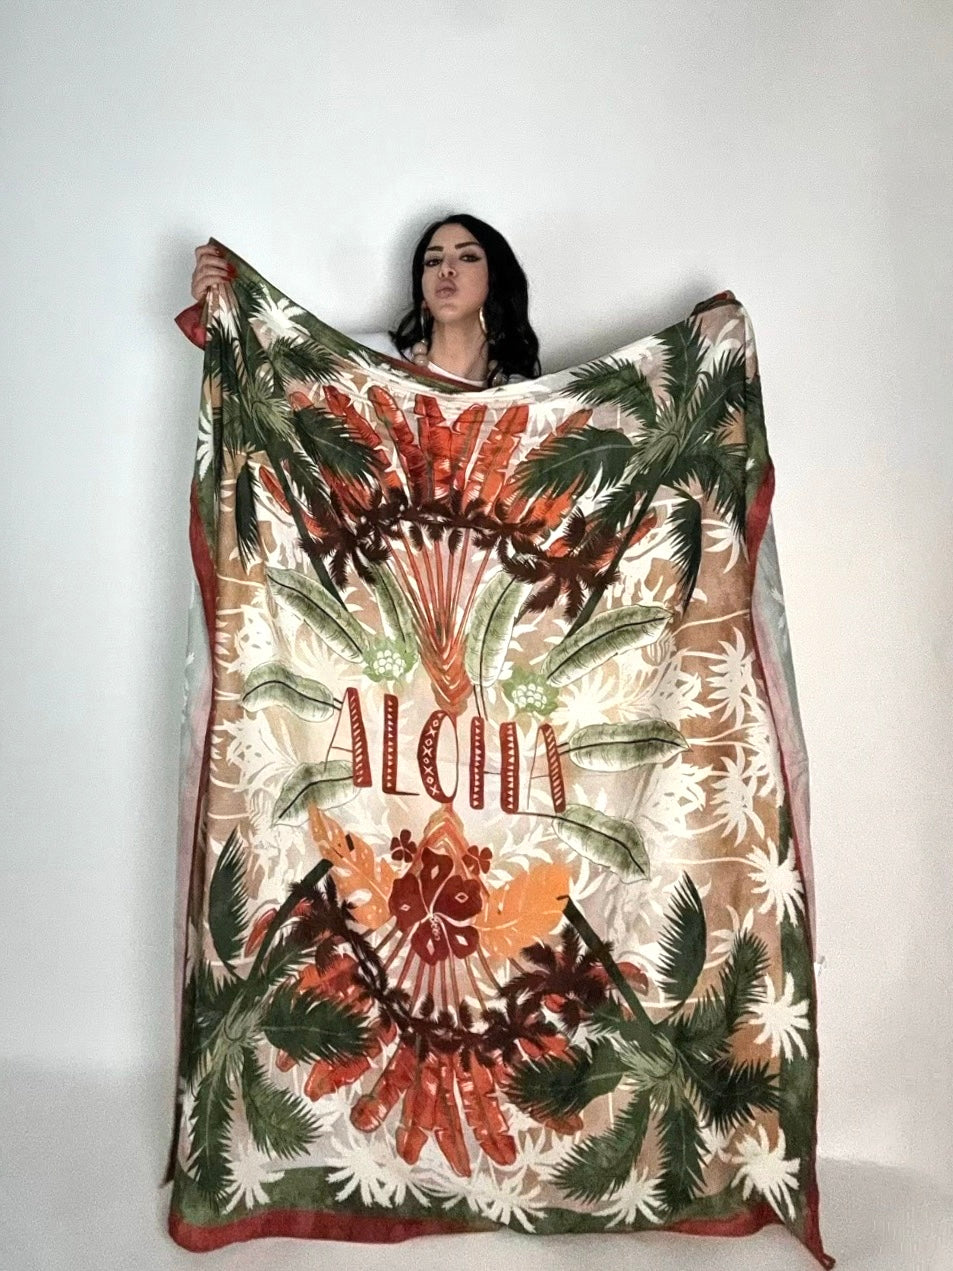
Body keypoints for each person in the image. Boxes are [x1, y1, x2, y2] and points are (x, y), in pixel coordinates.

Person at [180, 213, 541, 388]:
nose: (446, 269)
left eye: (467, 257)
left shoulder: (524, 399)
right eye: (432, 261)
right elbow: (276, 359)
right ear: (423, 293)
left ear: (495, 280)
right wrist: (221, 307)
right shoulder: (373, 359)